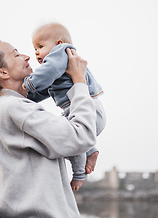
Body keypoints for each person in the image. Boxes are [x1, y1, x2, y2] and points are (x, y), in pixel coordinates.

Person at [0, 39, 97, 217]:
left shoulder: (9, 106)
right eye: (16, 54)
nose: (26, 57)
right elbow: (81, 137)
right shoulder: (14, 108)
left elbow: (69, 140)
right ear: (2, 72)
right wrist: (79, 82)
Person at [23, 23, 106, 191]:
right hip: (88, 110)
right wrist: (27, 96)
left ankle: (79, 174)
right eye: (35, 48)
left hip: (88, 110)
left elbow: (47, 73)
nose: (36, 52)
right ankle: (89, 150)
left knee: (63, 138)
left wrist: (30, 83)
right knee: (57, 133)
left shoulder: (60, 54)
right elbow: (44, 90)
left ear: (58, 43)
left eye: (40, 46)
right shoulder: (60, 67)